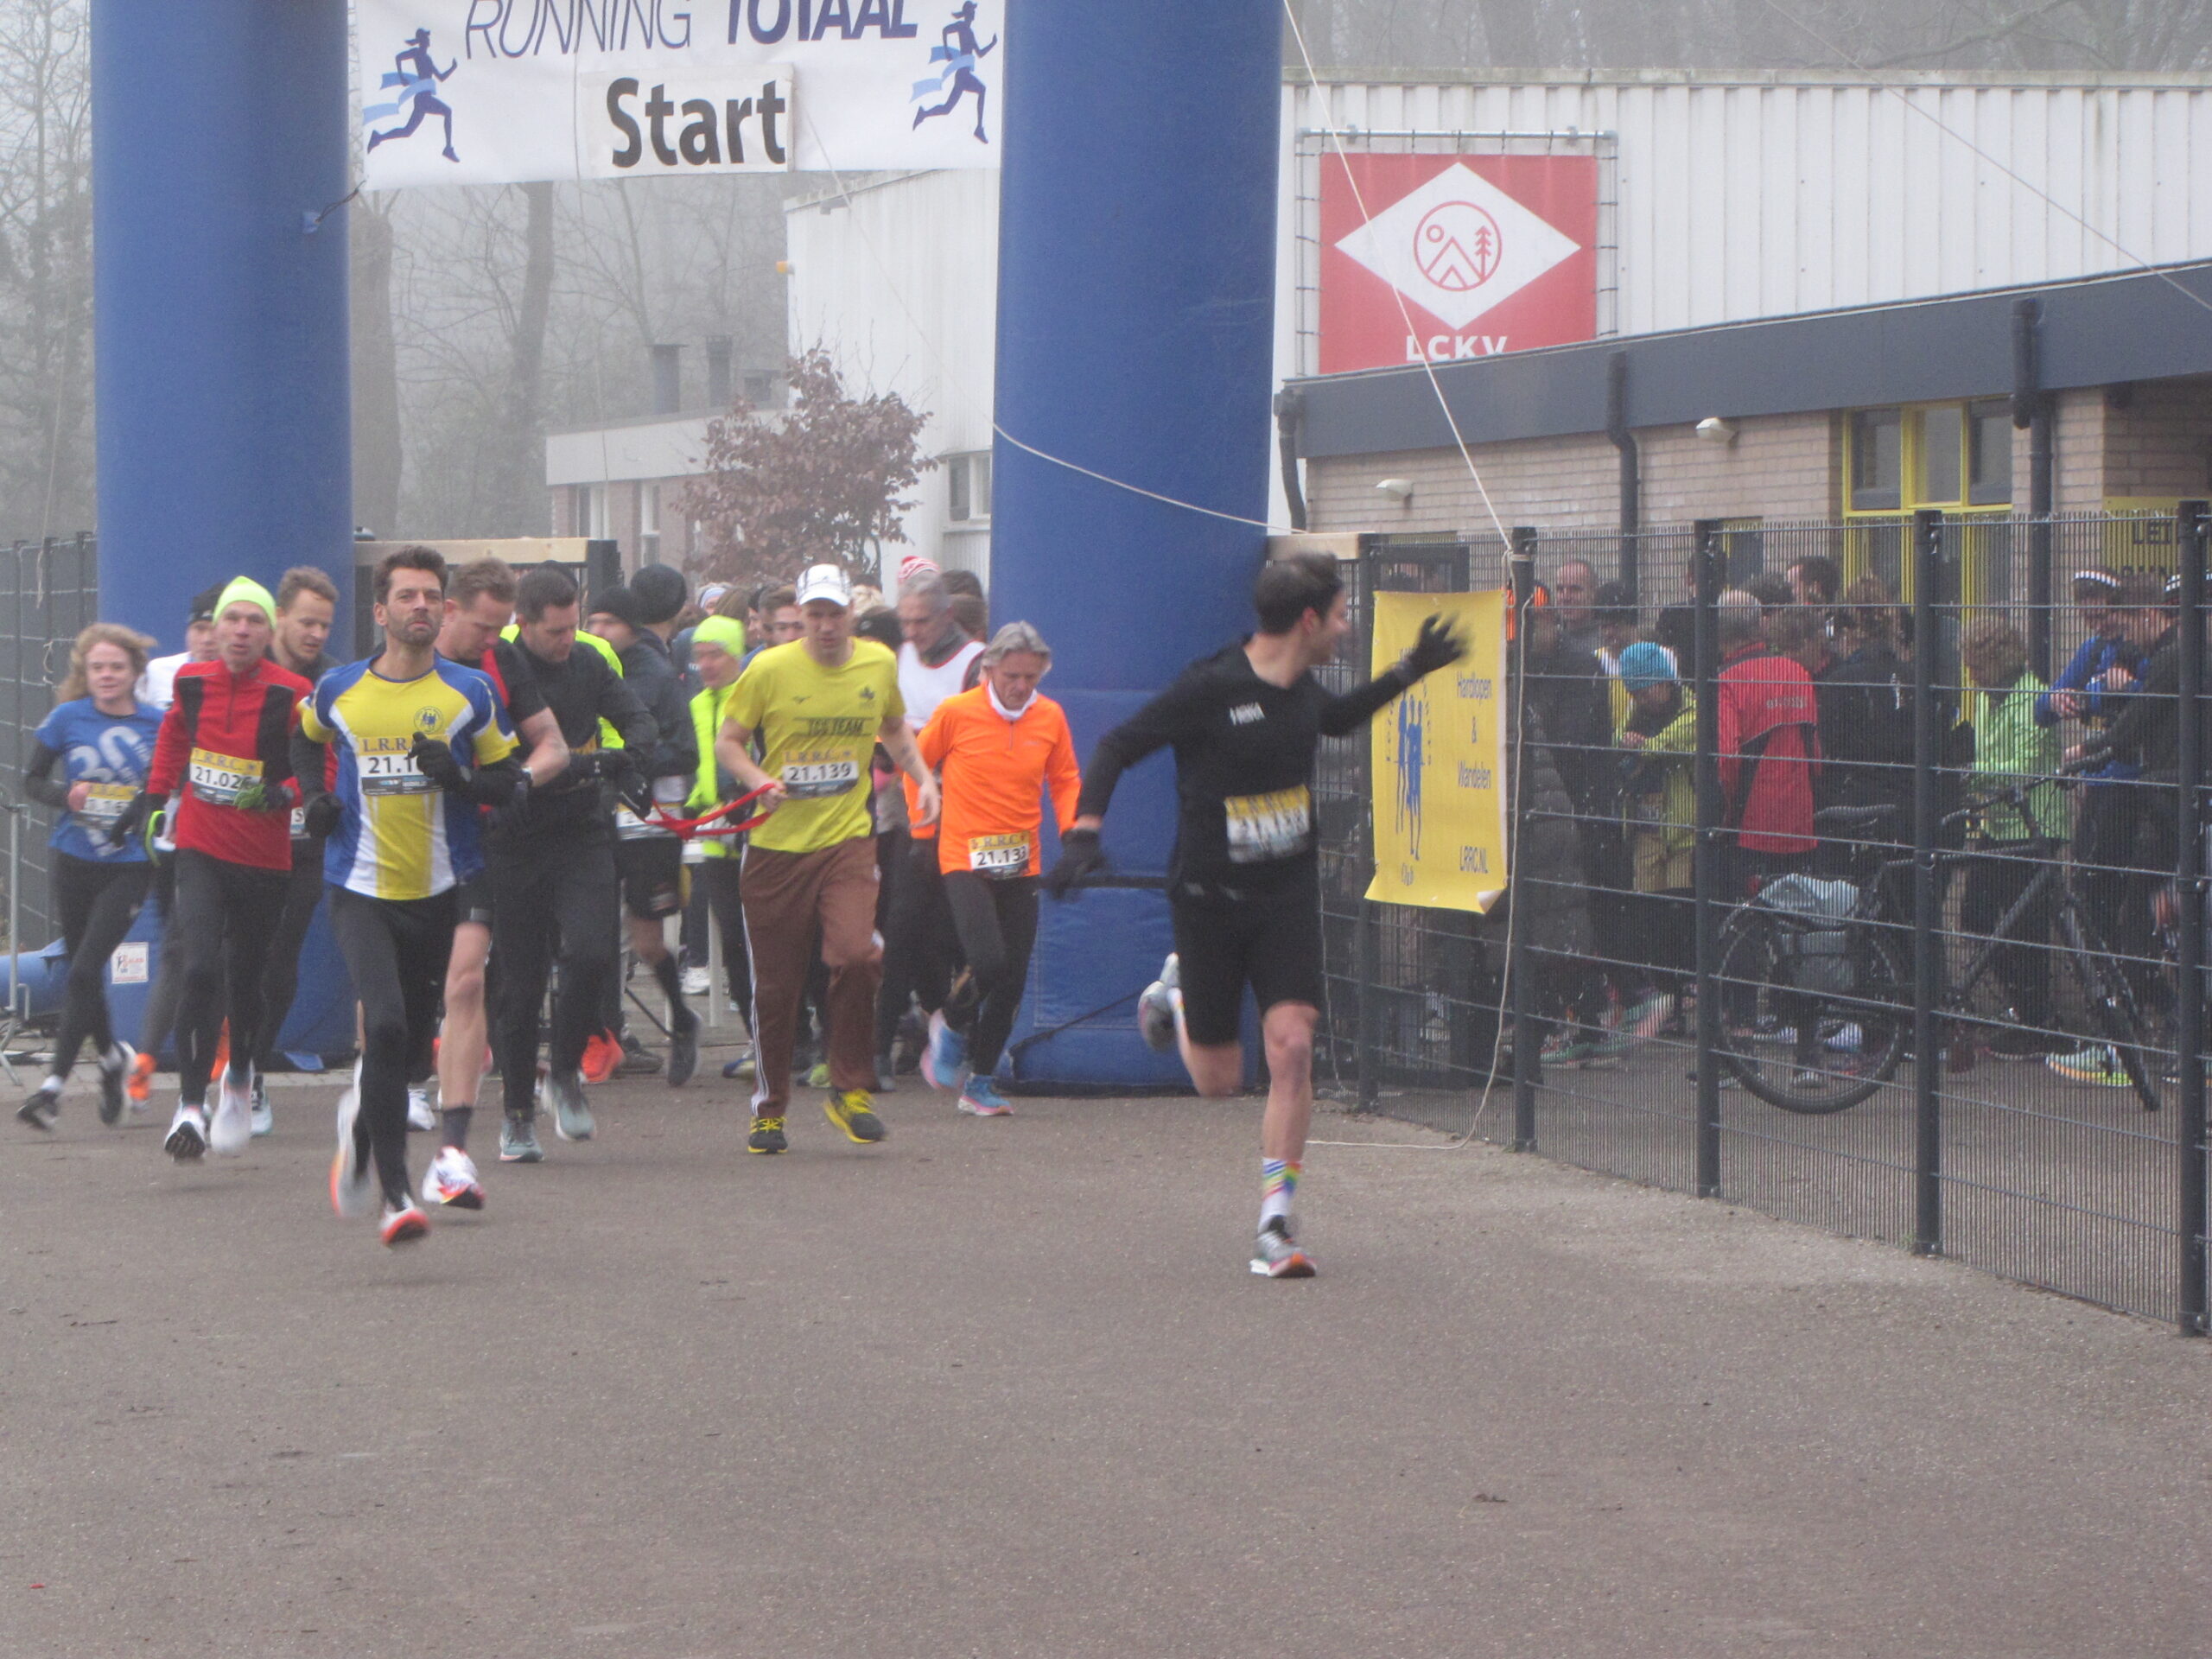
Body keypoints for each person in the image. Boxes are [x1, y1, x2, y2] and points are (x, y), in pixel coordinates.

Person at [1046, 552, 1464, 1277]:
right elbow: (1118, 745)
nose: (1346, 625)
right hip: (1210, 902)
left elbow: (1332, 720)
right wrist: (1085, 830)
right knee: (1218, 1083)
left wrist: (1408, 671)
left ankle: (1276, 1223)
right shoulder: (1211, 687)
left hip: (1285, 896)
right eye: (1339, 613)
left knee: (1293, 1047)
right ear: (1308, 620)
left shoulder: (1302, 686)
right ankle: (1174, 990)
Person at [296, 546, 522, 1245]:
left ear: (444, 609)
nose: (420, 606)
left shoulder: (468, 693)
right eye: (407, 596)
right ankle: (397, 1197)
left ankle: (362, 1126)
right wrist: (314, 802)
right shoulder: (339, 688)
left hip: (441, 886)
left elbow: (506, 782)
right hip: (359, 886)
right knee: (387, 1026)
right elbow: (304, 740)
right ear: (381, 611)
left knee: (414, 1055)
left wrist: (457, 778)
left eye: (431, 596)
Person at [714, 563, 940, 1154]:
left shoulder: (877, 663)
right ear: (802, 620)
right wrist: (760, 780)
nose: (824, 626)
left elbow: (893, 728)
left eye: (833, 614)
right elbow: (728, 742)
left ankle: (849, 1089)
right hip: (777, 848)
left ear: (850, 617)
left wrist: (923, 779)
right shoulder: (769, 668)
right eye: (813, 615)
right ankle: (769, 1109)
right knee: (778, 989)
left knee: (858, 957)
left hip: (847, 839)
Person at [123, 578, 311, 1161]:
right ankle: (188, 1108)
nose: (241, 631)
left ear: (269, 630)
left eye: (254, 621)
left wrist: (283, 794)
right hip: (200, 847)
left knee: (246, 981)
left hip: (264, 858)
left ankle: (241, 1077)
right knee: (200, 967)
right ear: (217, 628)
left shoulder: (294, 692)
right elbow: (174, 737)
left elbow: (321, 768)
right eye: (233, 621)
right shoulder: (191, 682)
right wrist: (156, 801)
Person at [486, 565, 657, 1162]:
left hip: (581, 830)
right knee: (520, 983)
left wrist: (630, 754)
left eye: (572, 627)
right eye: (555, 632)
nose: (566, 641)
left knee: (589, 952)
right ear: (522, 623)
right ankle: (515, 1113)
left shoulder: (589, 660)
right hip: (516, 837)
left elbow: (635, 713)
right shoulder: (499, 667)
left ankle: (564, 1073)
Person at [423, 557, 569, 1205]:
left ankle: (453, 1150)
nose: (495, 641)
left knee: (469, 980)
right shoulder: (395, 665)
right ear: (449, 610)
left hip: (478, 846)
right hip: (395, 852)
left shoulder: (501, 666)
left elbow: (552, 747)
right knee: (398, 997)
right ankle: (388, 1081)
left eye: (502, 628)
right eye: (485, 627)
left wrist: (518, 782)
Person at [915, 622, 1082, 1116]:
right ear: (988, 669)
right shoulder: (956, 713)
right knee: (988, 962)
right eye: (1011, 675)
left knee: (1012, 978)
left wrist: (1073, 832)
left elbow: (1066, 777)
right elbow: (917, 764)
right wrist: (921, 827)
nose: (1020, 686)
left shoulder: (1050, 717)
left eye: (1031, 676)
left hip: (1021, 861)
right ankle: (948, 1023)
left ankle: (980, 1083)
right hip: (963, 855)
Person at [15, 625, 163, 1129]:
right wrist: (67, 797)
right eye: (97, 667)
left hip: (128, 866)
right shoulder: (67, 718)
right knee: (84, 975)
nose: (106, 676)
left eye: (116, 667)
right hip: (73, 859)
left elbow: (168, 785)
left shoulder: (156, 725)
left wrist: (144, 807)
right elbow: (30, 780)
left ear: (134, 674)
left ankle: (53, 1088)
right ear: (85, 672)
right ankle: (111, 1059)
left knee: (82, 971)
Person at [585, 573, 702, 1085]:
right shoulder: (592, 669)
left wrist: (628, 761)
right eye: (592, 621)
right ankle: (606, 1034)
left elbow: (686, 751)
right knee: (594, 935)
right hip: (604, 820)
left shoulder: (653, 674)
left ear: (631, 627)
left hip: (651, 822)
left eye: (608, 622)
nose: (597, 629)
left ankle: (681, 1019)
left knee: (648, 941)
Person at [878, 572, 985, 1085]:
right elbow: (885, 730)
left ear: (946, 616)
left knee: (953, 937)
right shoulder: (897, 659)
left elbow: (978, 743)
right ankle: (883, 1045)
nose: (913, 631)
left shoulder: (973, 663)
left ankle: (952, 1026)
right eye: (906, 622)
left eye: (922, 621)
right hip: (907, 816)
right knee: (901, 927)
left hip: (961, 818)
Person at [251, 566, 344, 1135]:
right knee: (236, 959)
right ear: (279, 617)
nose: (315, 634)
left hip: (304, 841)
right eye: (307, 622)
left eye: (325, 625)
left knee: (279, 962)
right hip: (242, 836)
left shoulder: (335, 681)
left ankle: (252, 1073)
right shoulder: (249, 674)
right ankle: (231, 1071)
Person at [1959, 620, 2061, 1061]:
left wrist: (1970, 775)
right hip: (1998, 825)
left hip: (2035, 826)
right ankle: (2022, 1009)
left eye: (1977, 665)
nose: (1972, 676)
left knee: (2026, 926)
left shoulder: (2033, 699)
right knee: (1975, 917)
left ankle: (2039, 1022)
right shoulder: (1986, 699)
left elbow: (2022, 766)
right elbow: (1984, 754)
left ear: (1997, 660)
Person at [683, 615, 756, 1079]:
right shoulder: (696, 705)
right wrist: (693, 808)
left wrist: (741, 801)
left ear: (736, 656)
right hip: (714, 840)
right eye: (699, 656)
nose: (706, 665)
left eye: (716, 655)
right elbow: (703, 769)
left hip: (756, 834)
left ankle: (792, 1038)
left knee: (762, 943)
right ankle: (756, 1040)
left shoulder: (753, 697)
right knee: (732, 942)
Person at [1614, 640, 1697, 1039]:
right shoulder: (1636, 715)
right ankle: (1667, 1001)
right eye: (1636, 691)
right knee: (1651, 918)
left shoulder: (1691, 710)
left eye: (1649, 689)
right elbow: (1618, 741)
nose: (1644, 698)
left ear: (1667, 681)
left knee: (1679, 914)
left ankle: (1680, 999)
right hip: (1646, 829)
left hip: (1681, 833)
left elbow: (1681, 739)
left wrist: (1644, 748)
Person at [137, 584, 222, 710]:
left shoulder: (246, 677)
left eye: (216, 630)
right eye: (199, 628)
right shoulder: (157, 670)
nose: (207, 639)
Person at [1551, 558, 1600, 659]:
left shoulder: (1606, 640)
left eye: (1575, 590)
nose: (1566, 598)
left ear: (1593, 593)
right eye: (1560, 589)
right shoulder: (1551, 641)